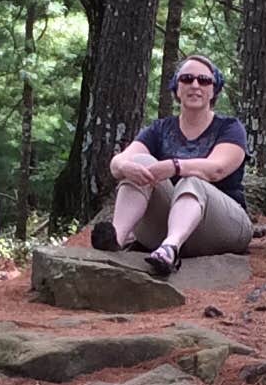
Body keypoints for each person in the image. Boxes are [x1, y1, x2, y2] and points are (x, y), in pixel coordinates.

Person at [93, 53, 253, 272]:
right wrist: (125, 167)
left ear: (214, 90)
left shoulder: (230, 128)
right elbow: (118, 162)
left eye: (204, 80)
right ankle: (116, 239)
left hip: (224, 228)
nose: (195, 85)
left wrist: (175, 166)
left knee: (192, 180)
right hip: (169, 224)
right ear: (176, 88)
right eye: (187, 79)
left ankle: (170, 248)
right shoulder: (159, 129)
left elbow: (217, 169)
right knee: (140, 162)